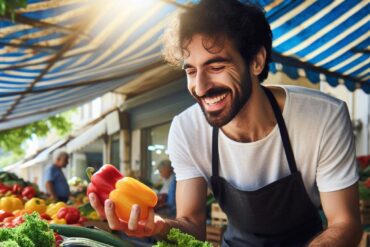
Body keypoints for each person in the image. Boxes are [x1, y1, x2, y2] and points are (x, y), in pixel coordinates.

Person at [89, 0, 362, 245]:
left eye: (216, 67)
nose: (200, 86)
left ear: (256, 61)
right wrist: (159, 227)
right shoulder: (187, 130)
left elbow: (345, 224)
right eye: (191, 71)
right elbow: (191, 226)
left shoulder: (322, 117)